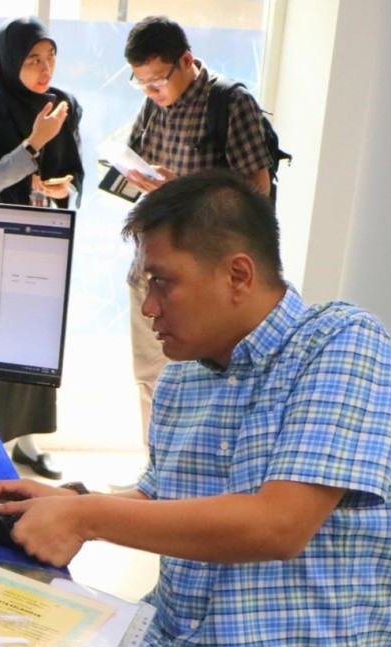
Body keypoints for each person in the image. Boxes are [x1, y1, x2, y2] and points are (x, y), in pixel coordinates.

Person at [0, 171, 391, 647]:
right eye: (144, 286)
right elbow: (163, 498)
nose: (149, 309)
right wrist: (77, 503)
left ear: (239, 276)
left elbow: (278, 526)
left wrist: (88, 519)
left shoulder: (342, 343)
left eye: (163, 283)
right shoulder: (183, 376)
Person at [121, 16, 274, 445]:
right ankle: (152, 475)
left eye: (156, 81)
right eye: (142, 84)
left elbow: (256, 196)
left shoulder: (229, 103)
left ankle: (186, 486)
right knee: (151, 378)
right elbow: (136, 158)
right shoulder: (156, 104)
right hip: (150, 264)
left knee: (198, 385)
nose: (151, 92)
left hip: (202, 274)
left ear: (186, 61)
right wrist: (136, 175)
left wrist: (184, 191)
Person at [0, 16, 85, 479]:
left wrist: (62, 191)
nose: (45, 68)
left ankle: (27, 444)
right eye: (33, 59)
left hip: (43, 244)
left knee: (37, 347)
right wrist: (33, 145)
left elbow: (74, 177)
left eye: (50, 58)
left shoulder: (64, 106)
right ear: (10, 62)